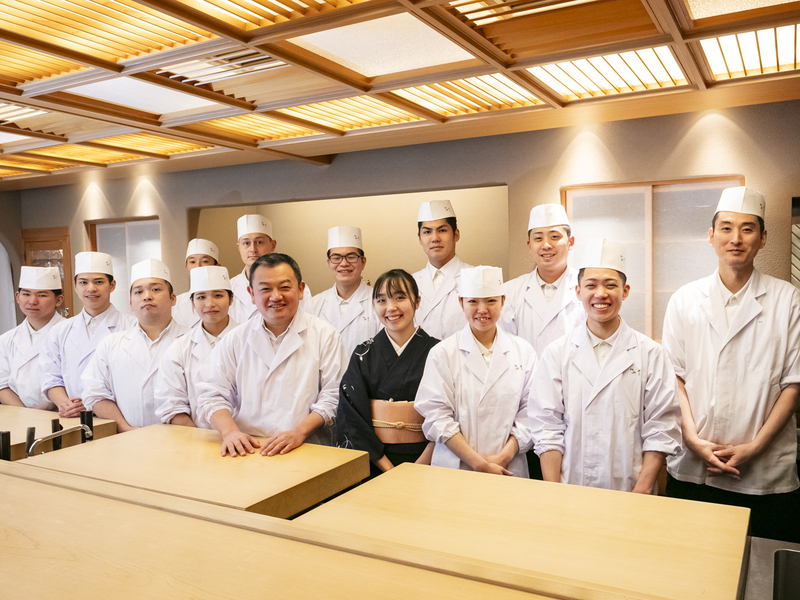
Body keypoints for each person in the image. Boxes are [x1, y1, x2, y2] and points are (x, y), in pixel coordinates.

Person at [662, 187, 800, 542]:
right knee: (689, 562)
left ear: (763, 238)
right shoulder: (684, 300)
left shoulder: (789, 300)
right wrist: (691, 439)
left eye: (747, 229)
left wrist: (755, 448)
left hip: (764, 473)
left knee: (763, 566)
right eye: (726, 228)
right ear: (711, 236)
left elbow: (794, 384)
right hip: (694, 468)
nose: (735, 238)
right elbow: (674, 378)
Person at [530, 238, 682, 493]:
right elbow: (547, 426)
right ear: (578, 291)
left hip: (632, 488)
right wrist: (554, 492)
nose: (600, 294)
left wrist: (642, 490)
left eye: (610, 285)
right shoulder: (556, 353)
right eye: (591, 285)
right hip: (570, 487)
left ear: (625, 290)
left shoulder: (651, 354)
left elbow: (662, 427)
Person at [196, 253, 346, 458]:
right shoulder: (236, 339)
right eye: (265, 289)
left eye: (284, 287)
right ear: (251, 294)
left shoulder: (325, 335)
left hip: (307, 447)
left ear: (300, 290)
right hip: (248, 449)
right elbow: (211, 394)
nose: (276, 296)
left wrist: (299, 433)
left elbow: (334, 397)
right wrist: (230, 433)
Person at [415, 265, 535, 477]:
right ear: (461, 302)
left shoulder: (523, 351)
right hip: (456, 468)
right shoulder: (443, 353)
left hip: (508, 467)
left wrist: (502, 459)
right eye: (473, 301)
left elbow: (531, 412)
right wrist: (479, 464)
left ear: (503, 301)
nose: (482, 309)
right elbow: (437, 417)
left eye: (491, 301)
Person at [337, 269, 437, 478]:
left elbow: (449, 414)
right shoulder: (363, 354)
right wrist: (387, 469)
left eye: (400, 297)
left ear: (417, 301)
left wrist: (419, 466)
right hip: (374, 461)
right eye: (381, 300)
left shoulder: (439, 352)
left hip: (428, 460)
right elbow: (352, 415)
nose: (391, 307)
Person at [82, 259, 188, 431]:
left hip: (183, 439)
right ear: (131, 303)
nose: (147, 296)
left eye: (156, 289)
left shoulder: (192, 341)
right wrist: (125, 428)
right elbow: (94, 393)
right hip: (126, 439)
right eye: (138, 292)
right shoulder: (111, 344)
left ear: (173, 298)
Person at [40, 252, 135, 418]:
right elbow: (51, 377)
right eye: (83, 282)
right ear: (75, 287)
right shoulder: (59, 331)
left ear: (112, 285)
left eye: (99, 282)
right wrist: (66, 404)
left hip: (119, 417)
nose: (91, 288)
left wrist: (96, 403)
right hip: (73, 417)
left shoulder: (132, 326)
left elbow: (135, 378)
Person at [156, 266, 238, 428]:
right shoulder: (179, 349)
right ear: (192, 303)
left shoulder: (249, 341)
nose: (210, 304)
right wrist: (198, 438)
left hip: (249, 437)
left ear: (231, 299)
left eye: (218, 295)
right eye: (201, 297)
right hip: (196, 438)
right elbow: (171, 405)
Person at [501, 203, 583, 355]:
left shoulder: (588, 288)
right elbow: (504, 347)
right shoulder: (510, 292)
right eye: (538, 238)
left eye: (554, 237)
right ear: (529, 245)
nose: (546, 245)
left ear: (570, 242)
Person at [306, 226, 380, 355]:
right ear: (329, 262)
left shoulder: (380, 301)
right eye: (336, 258)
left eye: (351, 257)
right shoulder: (313, 305)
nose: (344, 263)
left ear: (363, 262)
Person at [0, 266, 65, 410]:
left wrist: (51, 406)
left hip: (61, 413)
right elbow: (2, 385)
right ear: (17, 297)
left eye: (42, 295)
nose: (32, 301)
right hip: (18, 415)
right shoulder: (6, 340)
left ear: (58, 299)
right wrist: (26, 414)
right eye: (26, 294)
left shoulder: (70, 334)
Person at [228, 215, 313, 323]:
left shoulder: (294, 285)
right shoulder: (228, 288)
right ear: (239, 248)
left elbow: (306, 322)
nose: (253, 249)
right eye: (246, 243)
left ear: (273, 245)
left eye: (259, 242)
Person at [412, 200, 473, 339]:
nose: (435, 238)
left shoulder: (475, 277)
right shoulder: (409, 283)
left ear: (456, 234)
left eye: (442, 230)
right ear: (420, 238)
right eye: (427, 232)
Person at [172, 238, 220, 328]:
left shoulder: (225, 300)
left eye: (205, 261)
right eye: (192, 262)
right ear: (186, 266)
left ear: (217, 266)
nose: (198, 266)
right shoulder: (176, 304)